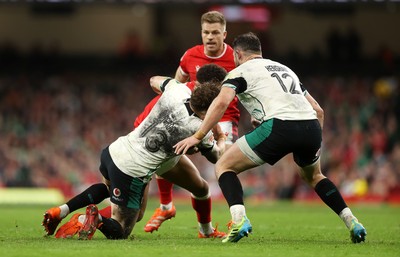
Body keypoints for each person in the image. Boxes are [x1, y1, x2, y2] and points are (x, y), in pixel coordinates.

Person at [174, 32, 367, 244]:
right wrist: (314, 140)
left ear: (238, 54)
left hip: (280, 126)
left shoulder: (239, 71)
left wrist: (198, 135)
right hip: (311, 127)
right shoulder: (285, 69)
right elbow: (318, 110)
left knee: (224, 166)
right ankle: (352, 222)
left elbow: (221, 103)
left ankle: (239, 221)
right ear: (259, 52)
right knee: (315, 176)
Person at [42, 65, 227, 240]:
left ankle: (63, 210)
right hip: (131, 170)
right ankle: (92, 219)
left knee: (107, 189)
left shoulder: (177, 89)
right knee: (124, 228)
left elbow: (154, 80)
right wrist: (221, 138)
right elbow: (216, 157)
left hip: (114, 151)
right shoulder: (200, 130)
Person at [144, 10, 239, 233]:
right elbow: (176, 86)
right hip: (194, 119)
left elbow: (249, 87)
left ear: (224, 34)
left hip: (224, 120)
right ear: (201, 33)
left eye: (215, 32)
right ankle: (166, 206)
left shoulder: (235, 59)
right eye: (206, 32)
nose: (210, 37)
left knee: (224, 163)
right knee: (164, 147)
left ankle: (236, 215)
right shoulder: (190, 56)